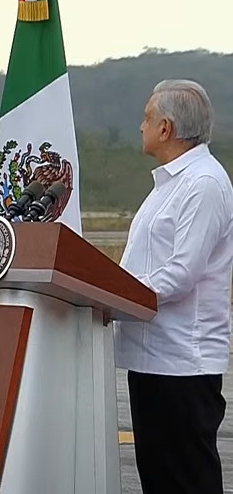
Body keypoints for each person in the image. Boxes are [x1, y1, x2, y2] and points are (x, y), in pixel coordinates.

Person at [114, 79, 233, 493]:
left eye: (147, 118)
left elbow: (181, 273)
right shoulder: (169, 184)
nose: (139, 125)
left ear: (166, 128)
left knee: (188, 481)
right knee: (162, 481)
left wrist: (117, 295)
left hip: (182, 363)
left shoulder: (203, 184)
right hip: (151, 358)